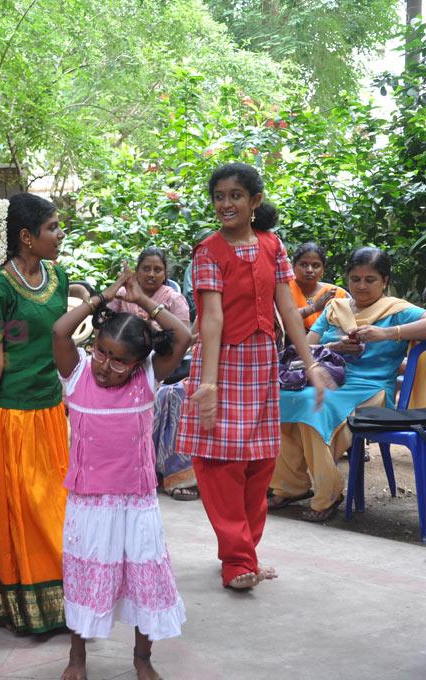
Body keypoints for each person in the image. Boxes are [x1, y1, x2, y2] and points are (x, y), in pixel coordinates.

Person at [176, 162, 331, 590]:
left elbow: (288, 310)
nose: (225, 204)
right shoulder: (208, 250)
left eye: (235, 196)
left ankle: (246, 552)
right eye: (219, 196)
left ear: (254, 201)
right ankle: (237, 561)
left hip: (263, 362)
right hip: (222, 363)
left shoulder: (272, 246)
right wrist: (206, 384)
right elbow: (210, 318)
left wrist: (311, 364)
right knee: (221, 463)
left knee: (260, 461)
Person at [53, 265, 191, 680]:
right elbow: (60, 332)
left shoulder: (148, 379)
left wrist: (142, 300)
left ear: (138, 363)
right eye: (101, 352)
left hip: (137, 500)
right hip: (89, 501)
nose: (105, 365)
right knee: (85, 576)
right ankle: (77, 657)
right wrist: (103, 297)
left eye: (119, 360)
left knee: (143, 576)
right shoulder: (76, 373)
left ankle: (142, 658)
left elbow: (181, 335)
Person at [0, 193, 69, 633]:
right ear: (27, 237)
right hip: (13, 419)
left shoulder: (59, 278)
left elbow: (62, 344)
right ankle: (31, 606)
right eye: (53, 228)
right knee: (29, 513)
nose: (60, 235)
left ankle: (71, 599)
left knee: (60, 508)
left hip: (52, 414)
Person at [269, 247, 426, 521]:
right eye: (355, 279)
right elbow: (307, 347)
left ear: (385, 281)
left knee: (311, 404)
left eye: (370, 279)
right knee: (283, 398)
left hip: (371, 386)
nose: (362, 286)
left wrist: (387, 333)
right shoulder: (335, 307)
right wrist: (336, 346)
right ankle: (291, 485)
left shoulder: (398, 311)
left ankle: (327, 494)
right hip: (330, 377)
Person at [111, 247, 197, 501]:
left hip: (163, 365)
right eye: (145, 269)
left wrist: (152, 328)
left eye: (157, 269)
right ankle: (126, 471)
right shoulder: (122, 295)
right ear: (136, 271)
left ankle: (173, 475)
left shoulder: (173, 298)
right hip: (124, 364)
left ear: (165, 272)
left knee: (172, 397)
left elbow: (184, 338)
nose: (151, 274)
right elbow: (107, 329)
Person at [288, 241, 348, 332]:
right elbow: (281, 320)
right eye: (304, 265)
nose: (309, 270)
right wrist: (314, 308)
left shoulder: (335, 294)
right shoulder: (284, 290)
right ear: (293, 266)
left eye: (315, 266)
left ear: (323, 269)